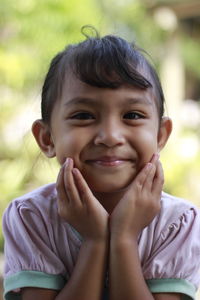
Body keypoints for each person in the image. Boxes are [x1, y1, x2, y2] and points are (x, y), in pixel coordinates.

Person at [3, 26, 200, 300]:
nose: (110, 137)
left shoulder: (177, 223)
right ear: (47, 138)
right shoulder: (32, 217)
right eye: (83, 115)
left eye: (132, 114)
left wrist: (124, 239)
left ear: (160, 135)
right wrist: (95, 242)